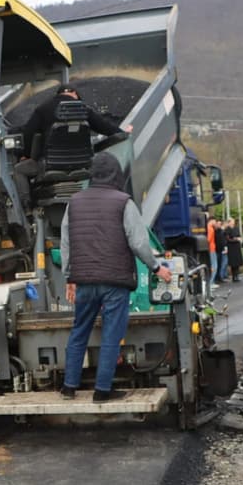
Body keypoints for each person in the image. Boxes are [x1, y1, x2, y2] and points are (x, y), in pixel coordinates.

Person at [59, 153, 172, 401]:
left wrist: (70, 277)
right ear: (116, 174)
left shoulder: (74, 202)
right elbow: (139, 242)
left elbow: (66, 243)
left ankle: (69, 387)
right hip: (114, 282)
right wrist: (156, 268)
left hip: (85, 279)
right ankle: (102, 391)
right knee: (111, 335)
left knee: (79, 331)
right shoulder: (123, 202)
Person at [13, 84, 129, 207]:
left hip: (49, 165)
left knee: (19, 169)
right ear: (74, 94)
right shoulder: (84, 108)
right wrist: (122, 132)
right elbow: (106, 127)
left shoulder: (42, 109)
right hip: (83, 165)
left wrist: (25, 155)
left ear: (58, 94)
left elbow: (28, 133)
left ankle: (27, 206)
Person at [225, 218, 243, 282]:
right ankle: (234, 276)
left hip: (237, 247)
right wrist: (235, 239)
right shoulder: (227, 229)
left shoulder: (236, 228)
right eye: (232, 221)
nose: (233, 222)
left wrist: (239, 238)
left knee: (237, 262)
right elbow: (228, 239)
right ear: (229, 222)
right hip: (231, 247)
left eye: (233, 221)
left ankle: (237, 275)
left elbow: (239, 236)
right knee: (233, 262)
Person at [206, 217, 220, 286]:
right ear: (212, 221)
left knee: (211, 266)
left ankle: (211, 282)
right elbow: (208, 240)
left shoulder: (207, 227)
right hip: (212, 249)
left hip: (209, 249)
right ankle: (211, 282)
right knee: (214, 266)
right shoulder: (211, 229)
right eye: (215, 221)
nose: (215, 223)